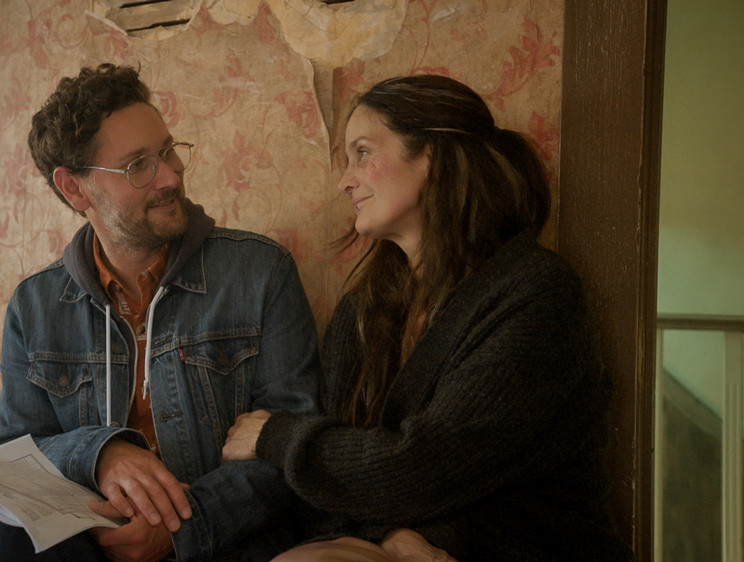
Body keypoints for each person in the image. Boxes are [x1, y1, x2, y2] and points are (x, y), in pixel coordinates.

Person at [222, 74, 633, 561]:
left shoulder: (536, 294)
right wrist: (390, 539)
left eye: (363, 152)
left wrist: (276, 435)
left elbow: (431, 465)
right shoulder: (362, 311)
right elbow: (323, 497)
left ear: (431, 157)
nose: (345, 180)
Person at [0, 63, 320, 561]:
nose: (171, 176)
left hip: (222, 542)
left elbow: (294, 447)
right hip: (91, 540)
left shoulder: (260, 272)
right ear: (75, 188)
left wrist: (179, 527)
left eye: (168, 151)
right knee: (5, 532)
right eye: (138, 165)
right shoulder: (35, 305)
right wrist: (101, 453)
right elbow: (16, 457)